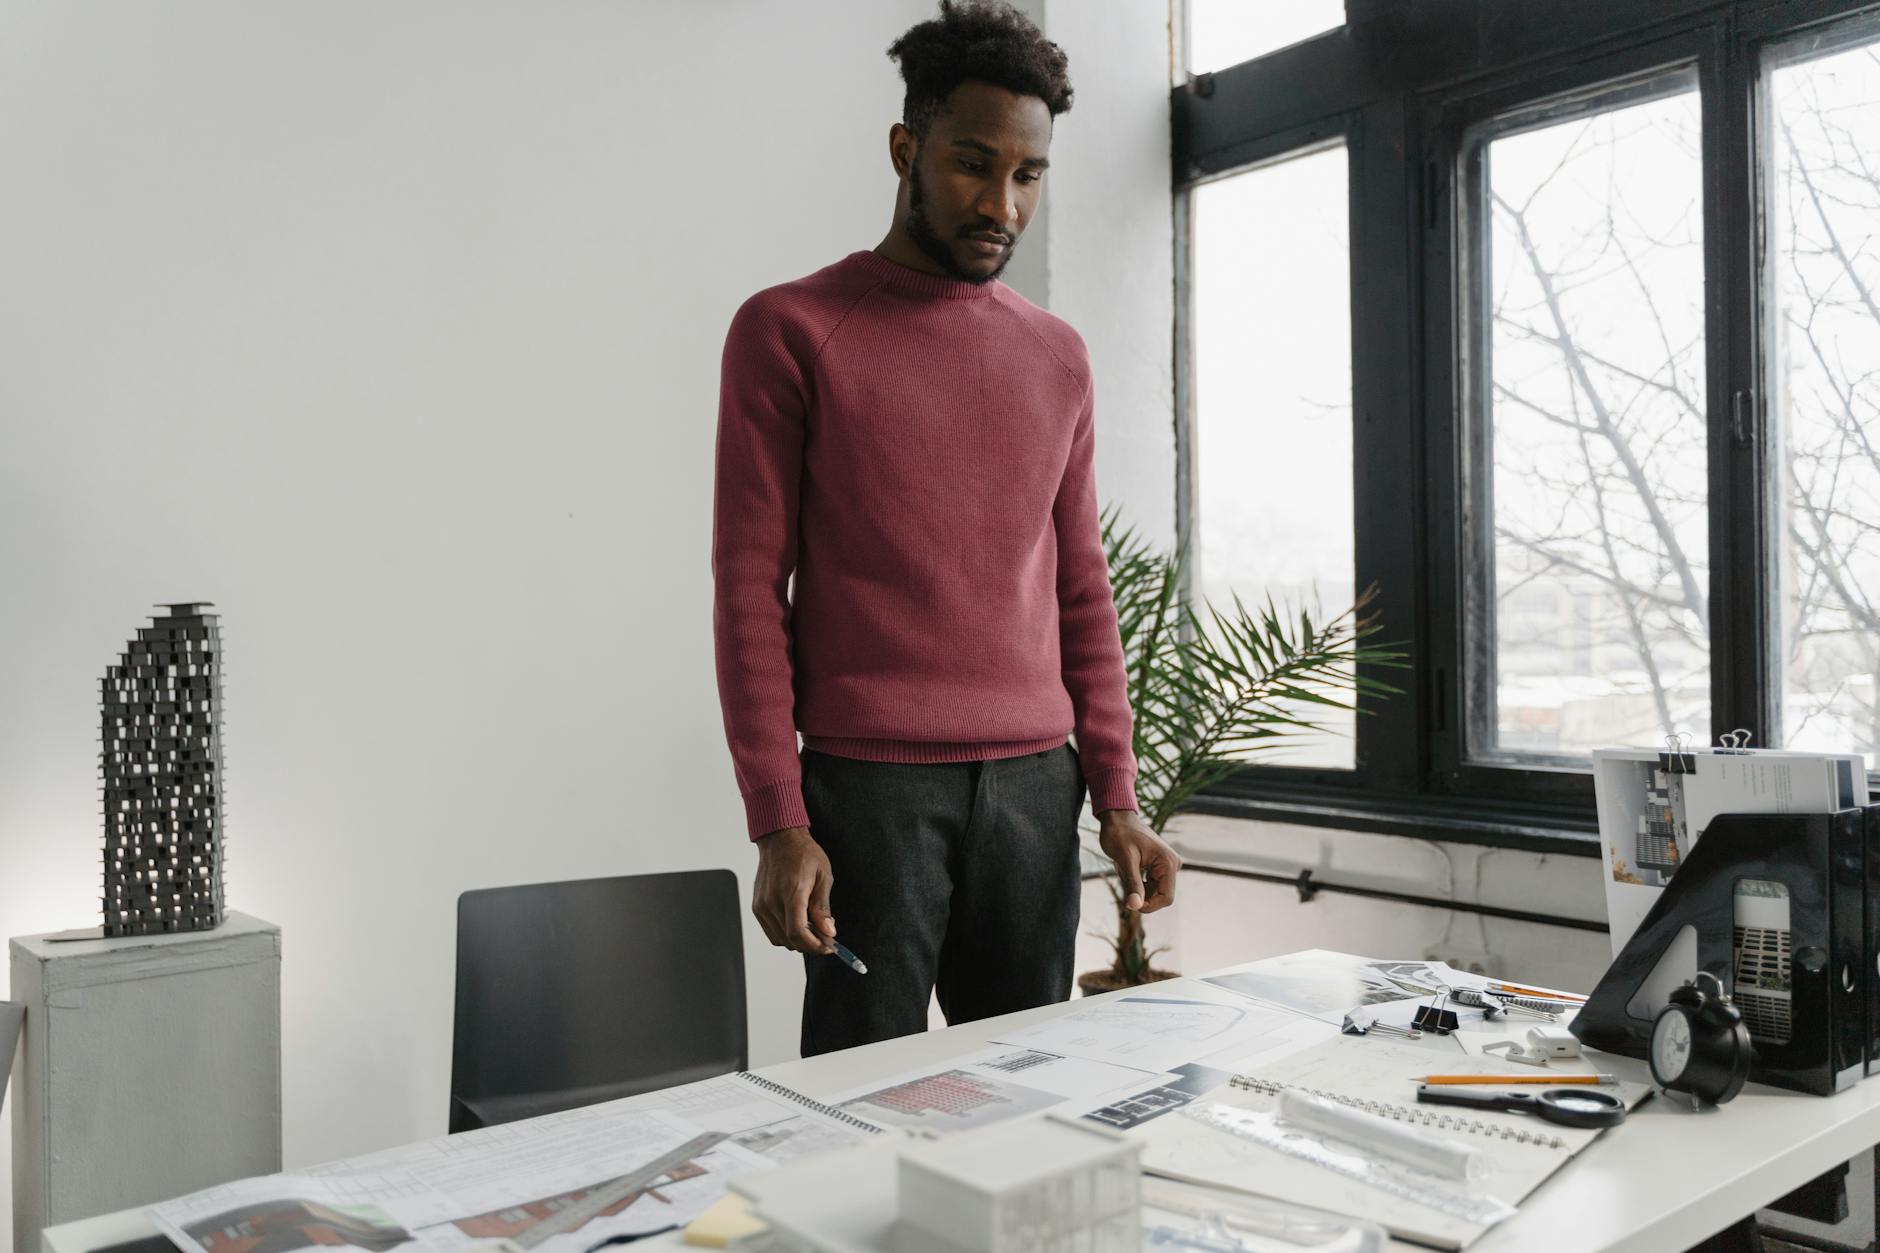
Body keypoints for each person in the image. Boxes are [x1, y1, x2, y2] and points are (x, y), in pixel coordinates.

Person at [711, 0, 1180, 1058]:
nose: (1000, 204)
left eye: (1027, 175)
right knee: (852, 1098)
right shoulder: (789, 330)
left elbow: (1079, 583)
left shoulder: (1056, 355)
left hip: (1034, 785)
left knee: (1024, 1093)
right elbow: (748, 588)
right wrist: (778, 818)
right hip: (866, 790)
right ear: (904, 148)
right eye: (972, 164)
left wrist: (1115, 794)